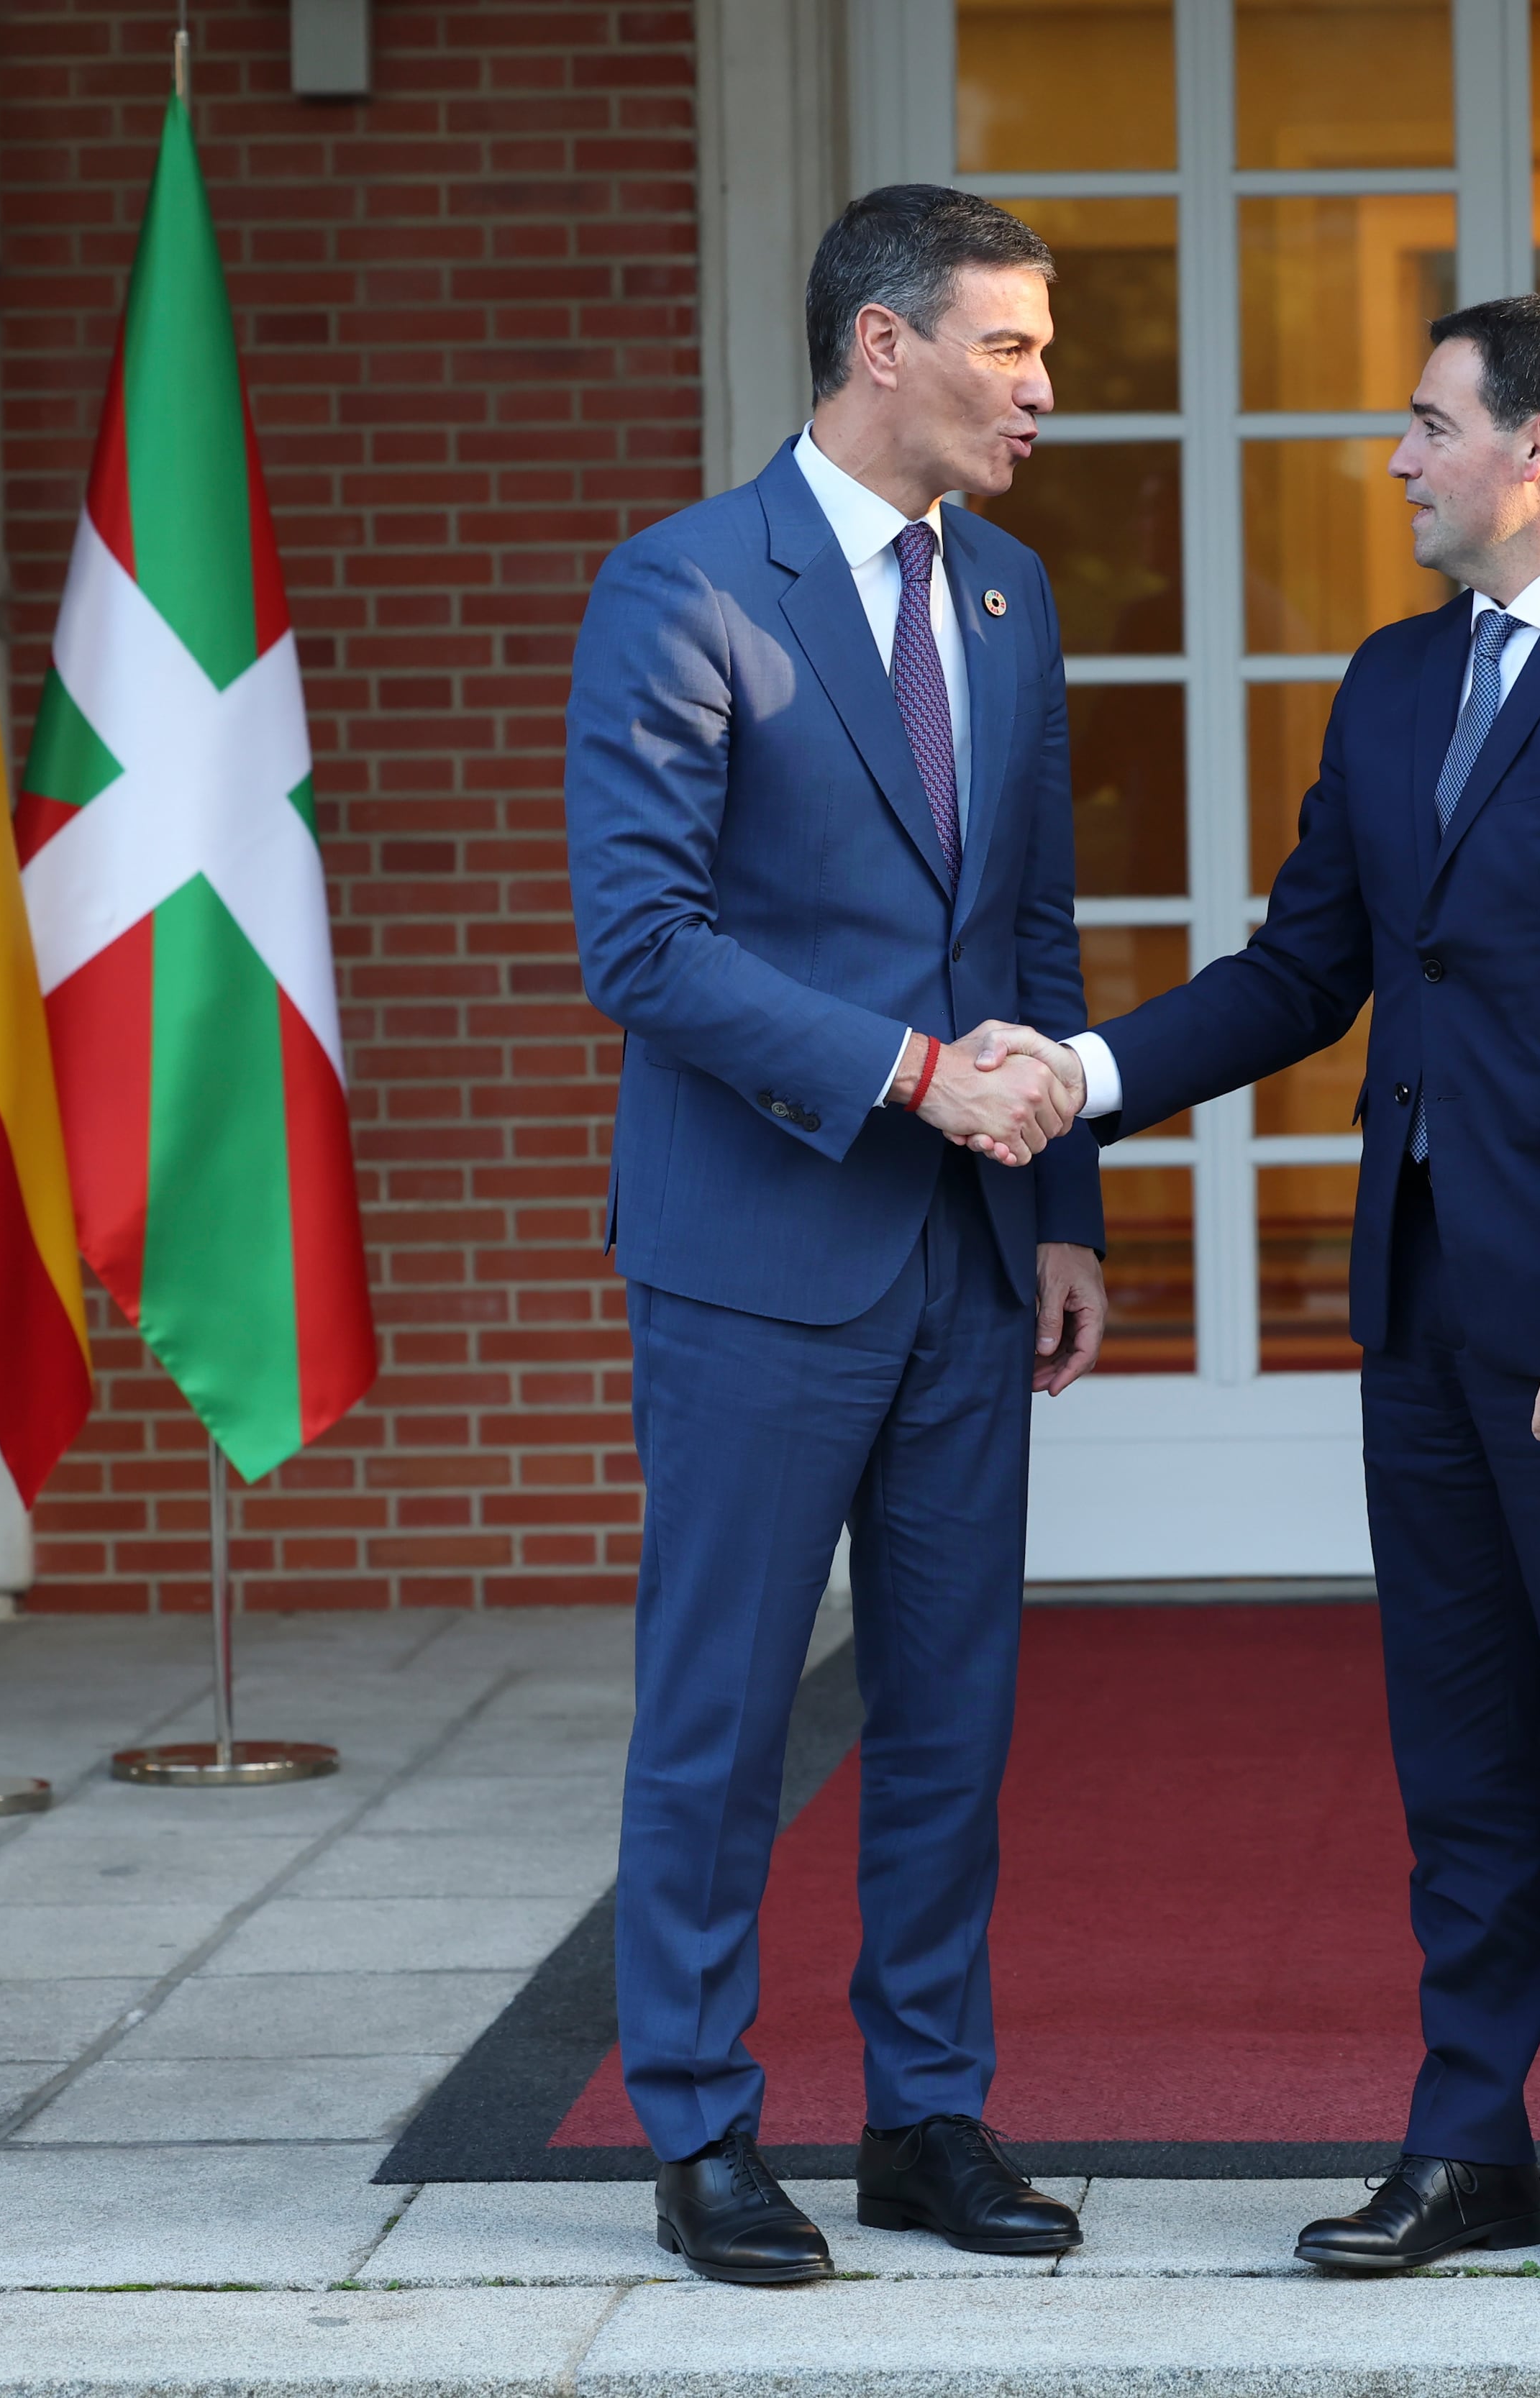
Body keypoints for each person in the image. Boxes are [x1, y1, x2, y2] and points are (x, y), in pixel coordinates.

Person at [988, 293, 1540, 2298]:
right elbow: (1303, 974)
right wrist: (1080, 1079)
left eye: (1428, 423)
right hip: (1426, 1312)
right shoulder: (1388, 682)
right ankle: (1472, 2148)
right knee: (1457, 1764)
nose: (1396, 455)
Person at [562, 184, 1110, 2286]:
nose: (1039, 389)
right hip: (755, 1259)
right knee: (717, 1714)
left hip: (975, 1265)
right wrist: (908, 1074)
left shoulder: (1013, 603)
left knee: (952, 1715)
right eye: (1010, 346)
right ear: (883, 346)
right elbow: (647, 942)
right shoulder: (686, 588)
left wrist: (1057, 1204)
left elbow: (1038, 925)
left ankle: (926, 2119)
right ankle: (700, 2130)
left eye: (1042, 350)